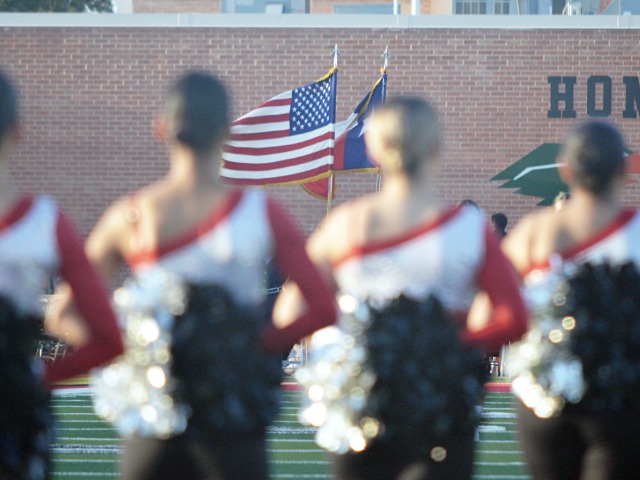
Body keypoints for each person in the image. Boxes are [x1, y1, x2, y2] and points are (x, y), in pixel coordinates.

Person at [47, 70, 336, 480]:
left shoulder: (131, 216)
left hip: (157, 418)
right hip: (231, 418)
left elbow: (63, 312)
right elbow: (322, 307)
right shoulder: (261, 213)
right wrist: (257, 347)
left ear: (161, 128)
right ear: (227, 132)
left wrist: (130, 349)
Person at [275, 96, 528, 480]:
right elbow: (514, 319)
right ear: (436, 147)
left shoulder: (345, 225)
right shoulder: (469, 229)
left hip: (363, 400)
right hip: (440, 403)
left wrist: (346, 349)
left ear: (373, 150)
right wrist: (449, 348)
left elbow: (290, 313)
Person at [0, 70, 123, 479]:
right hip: (15, 421)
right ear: (17, 133)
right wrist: (34, 376)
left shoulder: (46, 222)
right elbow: (107, 340)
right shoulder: (45, 223)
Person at [503, 120, 640, 480]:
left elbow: (496, 315)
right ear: (623, 171)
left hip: (547, 398)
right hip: (623, 398)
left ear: (566, 170)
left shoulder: (533, 233)